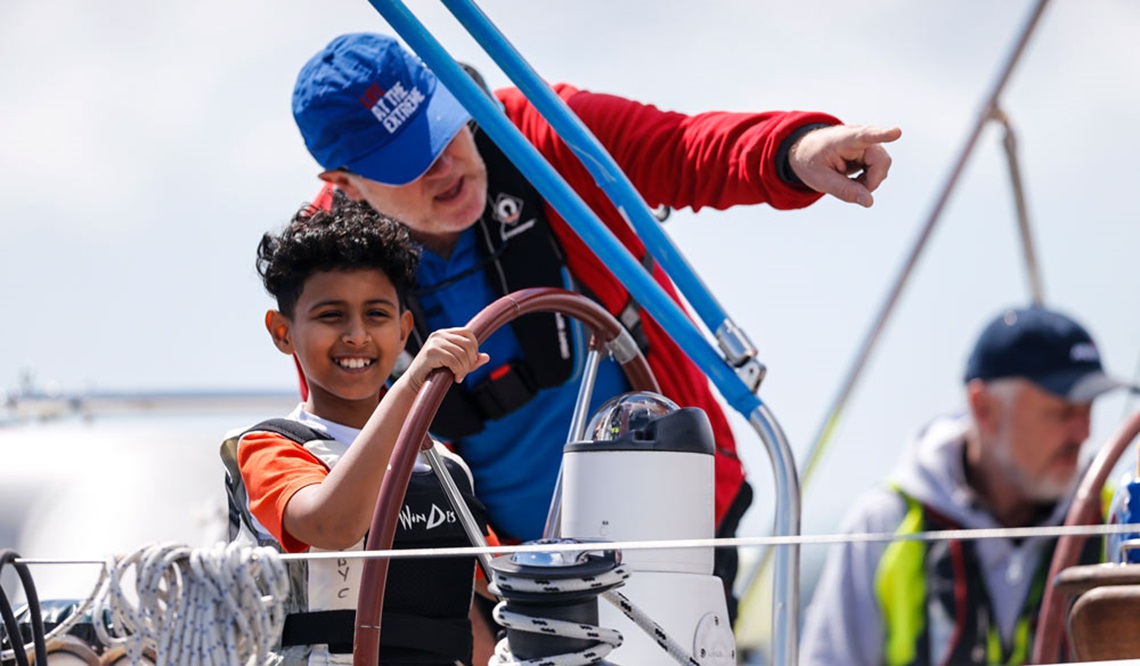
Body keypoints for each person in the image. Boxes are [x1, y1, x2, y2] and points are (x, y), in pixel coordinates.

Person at [290, 31, 902, 622]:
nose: (444, 165)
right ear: (344, 184)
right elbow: (339, 440)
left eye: (441, 129)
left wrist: (795, 150)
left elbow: (682, 147)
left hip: (675, 527)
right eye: (407, 161)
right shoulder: (323, 269)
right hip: (497, 578)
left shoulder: (537, 132)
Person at [220, 197, 491, 665]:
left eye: (377, 315)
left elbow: (502, 577)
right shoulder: (269, 448)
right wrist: (411, 385)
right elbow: (331, 524)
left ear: (405, 329)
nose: (357, 335)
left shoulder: (447, 468)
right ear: (282, 332)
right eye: (331, 316)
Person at [800, 305, 1135, 665]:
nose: (1083, 433)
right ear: (984, 407)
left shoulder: (1119, 518)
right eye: (1063, 411)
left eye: (1089, 410)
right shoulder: (883, 522)